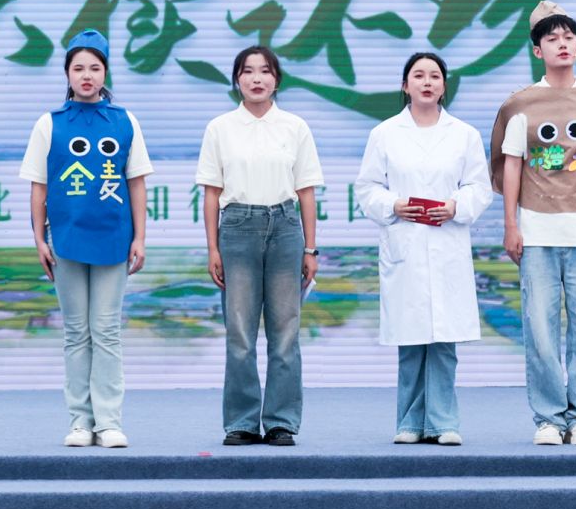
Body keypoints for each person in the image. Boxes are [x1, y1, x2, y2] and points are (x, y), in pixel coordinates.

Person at [491, 0, 576, 447]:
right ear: (538, 51)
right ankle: (549, 419)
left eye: (568, 37)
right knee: (540, 330)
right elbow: (512, 165)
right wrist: (510, 224)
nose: (562, 44)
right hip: (536, 232)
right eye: (552, 39)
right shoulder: (522, 105)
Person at [354, 52, 493, 446]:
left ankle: (444, 422)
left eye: (434, 76)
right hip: (406, 241)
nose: (427, 82)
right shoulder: (385, 133)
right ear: (405, 85)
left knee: (444, 340)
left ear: (444, 86)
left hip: (447, 241)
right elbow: (367, 188)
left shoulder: (464, 134)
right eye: (418, 75)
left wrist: (456, 206)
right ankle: (409, 422)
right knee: (411, 338)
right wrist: (394, 205)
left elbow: (479, 187)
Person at [21, 30, 152, 449]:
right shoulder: (50, 123)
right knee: (77, 332)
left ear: (105, 72)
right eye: (78, 68)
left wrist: (140, 237)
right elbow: (39, 187)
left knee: (106, 330)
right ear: (67, 74)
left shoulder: (125, 121)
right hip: (66, 240)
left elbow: (136, 183)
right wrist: (39, 238)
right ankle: (80, 421)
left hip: (114, 239)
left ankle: (109, 421)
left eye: (95, 67)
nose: (86, 75)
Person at [197, 46, 323, 447]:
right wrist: (213, 248)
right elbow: (211, 194)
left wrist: (311, 249)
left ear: (276, 79)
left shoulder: (294, 127)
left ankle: (281, 421)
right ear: (236, 79)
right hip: (237, 228)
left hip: (285, 228)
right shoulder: (220, 128)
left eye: (265, 71)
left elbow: (306, 191)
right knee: (240, 333)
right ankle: (242, 422)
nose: (256, 79)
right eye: (248, 71)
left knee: (286, 331)